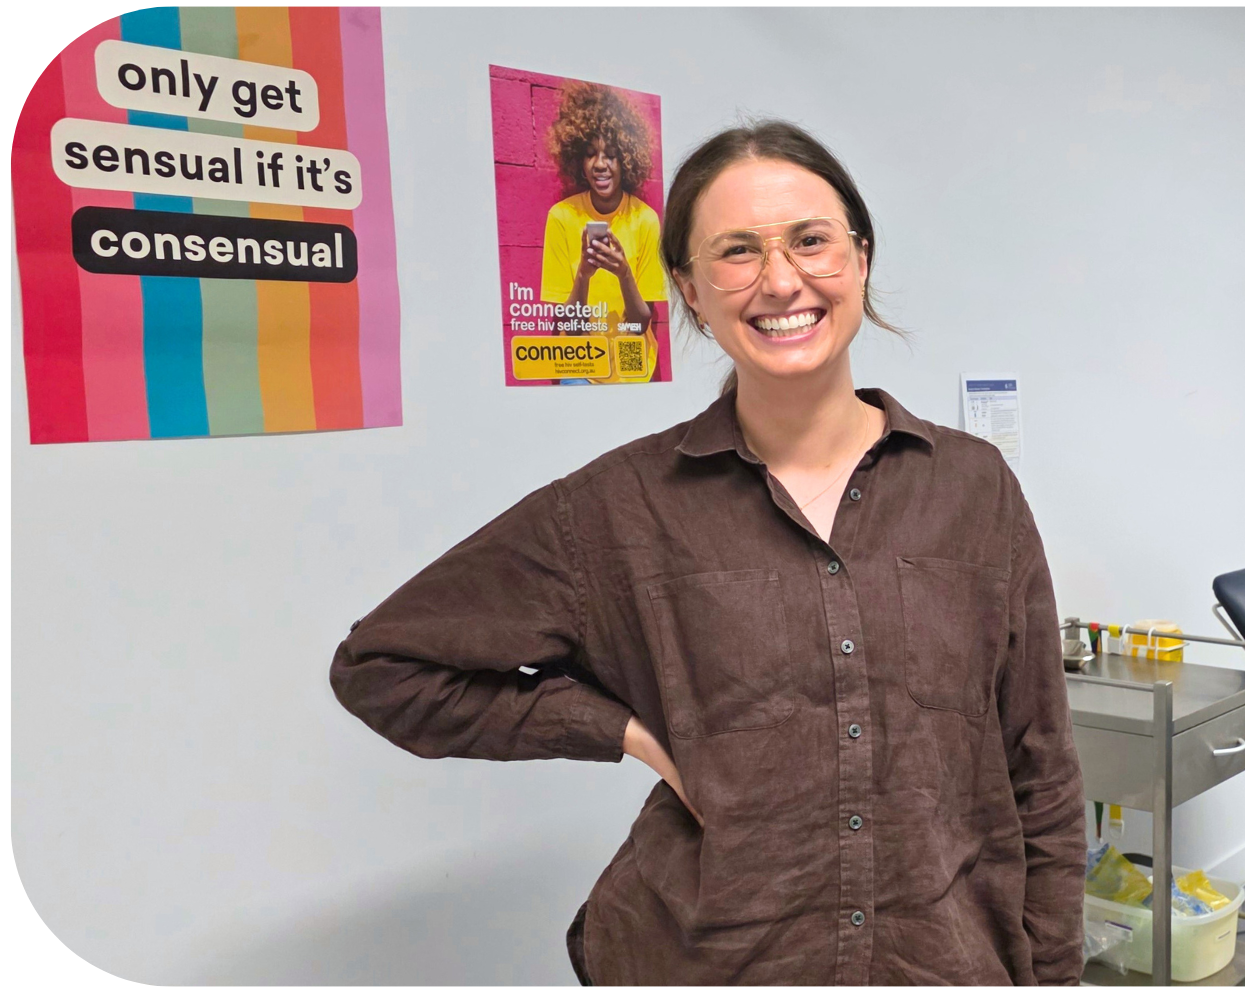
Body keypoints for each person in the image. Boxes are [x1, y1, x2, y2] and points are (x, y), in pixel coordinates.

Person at [331, 120, 1085, 986]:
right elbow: (382, 667)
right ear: (690, 290)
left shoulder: (973, 488)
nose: (781, 280)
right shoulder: (617, 508)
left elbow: (1041, 767)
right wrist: (624, 733)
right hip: (710, 960)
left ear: (860, 257)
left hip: (942, 963)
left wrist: (1054, 971)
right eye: (737, 251)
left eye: (810, 240)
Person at [539, 80, 665, 384]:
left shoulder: (645, 220)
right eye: (590, 154)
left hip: (631, 359)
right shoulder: (561, 217)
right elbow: (570, 328)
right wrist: (583, 275)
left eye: (610, 154)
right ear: (578, 160)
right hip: (580, 362)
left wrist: (624, 274)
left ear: (626, 159)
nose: (600, 164)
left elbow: (639, 324)